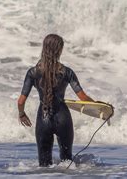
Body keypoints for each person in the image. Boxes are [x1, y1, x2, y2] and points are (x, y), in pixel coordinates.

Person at [17, 34, 94, 167]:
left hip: (43, 118)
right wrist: (100, 107)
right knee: (67, 162)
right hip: (63, 118)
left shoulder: (33, 72)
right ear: (59, 50)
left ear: (44, 48)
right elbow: (83, 98)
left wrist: (22, 114)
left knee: (44, 165)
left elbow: (20, 101)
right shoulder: (67, 72)